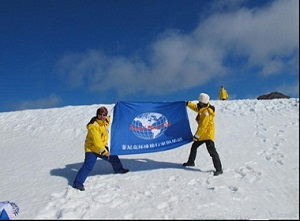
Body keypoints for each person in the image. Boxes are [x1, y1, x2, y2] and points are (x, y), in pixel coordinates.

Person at [73, 106, 129, 191]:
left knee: (114, 158)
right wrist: (104, 152)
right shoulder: (93, 126)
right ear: (97, 115)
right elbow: (97, 141)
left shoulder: (105, 121)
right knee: (88, 166)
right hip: (91, 148)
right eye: (100, 114)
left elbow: (111, 118)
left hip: (102, 146)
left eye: (104, 114)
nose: (102, 116)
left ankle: (119, 169)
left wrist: (118, 108)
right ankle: (77, 183)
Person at [183, 93, 223, 176]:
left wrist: (196, 136)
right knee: (194, 146)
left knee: (212, 152)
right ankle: (191, 162)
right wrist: (188, 104)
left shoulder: (206, 113)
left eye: (200, 101)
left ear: (204, 102)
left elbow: (202, 126)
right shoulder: (202, 107)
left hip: (207, 135)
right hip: (203, 134)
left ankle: (219, 169)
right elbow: (196, 108)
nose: (199, 103)